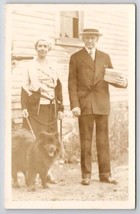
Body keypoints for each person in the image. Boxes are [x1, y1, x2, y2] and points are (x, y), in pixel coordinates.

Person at [68, 28, 127, 185]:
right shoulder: (75, 57)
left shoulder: (104, 57)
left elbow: (113, 77)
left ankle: (105, 174)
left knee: (103, 141)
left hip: (101, 104)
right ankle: (86, 175)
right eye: (87, 37)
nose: (90, 40)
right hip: (85, 105)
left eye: (93, 38)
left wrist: (123, 83)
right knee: (85, 141)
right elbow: (72, 84)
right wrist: (75, 105)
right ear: (83, 39)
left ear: (97, 39)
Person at [21, 38, 64, 183]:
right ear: (36, 48)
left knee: (50, 141)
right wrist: (24, 107)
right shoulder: (30, 66)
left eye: (45, 46)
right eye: (40, 46)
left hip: (51, 107)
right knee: (35, 141)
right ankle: (30, 172)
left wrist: (61, 107)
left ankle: (47, 173)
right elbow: (25, 88)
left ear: (49, 49)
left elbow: (58, 87)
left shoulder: (54, 66)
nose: (42, 48)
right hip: (35, 109)